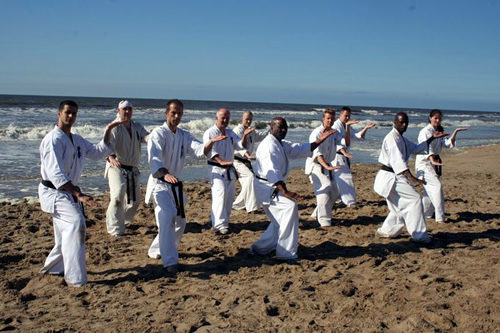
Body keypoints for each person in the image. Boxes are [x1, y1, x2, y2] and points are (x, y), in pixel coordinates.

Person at [39, 100, 124, 286]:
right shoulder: (52, 140)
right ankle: (75, 279)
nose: (71, 116)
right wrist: (79, 195)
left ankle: (53, 268)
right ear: (59, 114)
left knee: (65, 232)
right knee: (77, 224)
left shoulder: (76, 140)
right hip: (54, 192)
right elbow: (56, 174)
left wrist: (109, 129)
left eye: (74, 113)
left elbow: (99, 152)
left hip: (67, 192)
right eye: (68, 112)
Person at [146, 99, 225, 273]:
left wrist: (210, 143)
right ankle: (170, 261)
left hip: (174, 185)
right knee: (166, 217)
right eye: (173, 112)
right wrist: (165, 173)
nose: (176, 116)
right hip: (160, 182)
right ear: (166, 113)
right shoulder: (158, 134)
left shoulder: (183, 135)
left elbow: (198, 150)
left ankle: (158, 249)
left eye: (180, 113)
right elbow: (154, 158)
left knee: (180, 222)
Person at [249, 117, 336, 263]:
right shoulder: (269, 146)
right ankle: (286, 254)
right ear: (271, 127)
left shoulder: (280, 143)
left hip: (272, 186)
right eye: (280, 127)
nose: (283, 130)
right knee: (289, 208)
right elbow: (271, 172)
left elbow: (298, 149)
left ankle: (260, 248)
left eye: (285, 127)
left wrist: (320, 140)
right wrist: (285, 192)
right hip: (267, 187)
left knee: (280, 220)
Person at [373, 112, 449, 243]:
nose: (404, 125)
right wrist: (414, 178)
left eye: (406, 122)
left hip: (394, 176)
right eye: (401, 122)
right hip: (391, 176)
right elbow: (399, 163)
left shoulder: (401, 138)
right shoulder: (392, 138)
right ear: (395, 122)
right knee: (414, 200)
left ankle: (386, 231)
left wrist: (432, 139)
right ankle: (419, 236)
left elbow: (416, 148)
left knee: (399, 207)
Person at [105, 100, 150, 237]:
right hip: (116, 166)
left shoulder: (137, 126)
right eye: (124, 109)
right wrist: (111, 157)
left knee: (134, 201)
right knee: (118, 196)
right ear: (119, 111)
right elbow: (106, 145)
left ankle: (122, 220)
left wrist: (159, 136)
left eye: (129, 109)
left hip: (132, 168)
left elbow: (147, 137)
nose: (127, 112)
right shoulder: (114, 127)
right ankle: (114, 228)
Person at [203, 108, 251, 235]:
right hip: (215, 168)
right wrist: (220, 161)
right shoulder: (210, 132)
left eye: (227, 118)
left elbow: (240, 145)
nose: (225, 120)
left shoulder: (230, 133)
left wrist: (245, 135)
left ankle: (221, 220)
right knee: (220, 194)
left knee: (229, 197)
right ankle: (220, 225)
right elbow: (208, 151)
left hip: (229, 168)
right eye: (222, 118)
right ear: (216, 118)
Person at [415, 109, 468, 223]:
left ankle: (426, 214)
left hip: (434, 163)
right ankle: (440, 217)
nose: (437, 121)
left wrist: (455, 133)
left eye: (439, 119)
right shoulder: (425, 131)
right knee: (437, 187)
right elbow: (426, 146)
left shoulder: (438, 131)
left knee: (428, 190)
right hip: (424, 163)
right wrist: (431, 158)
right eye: (435, 118)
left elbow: (446, 144)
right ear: (430, 118)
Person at [305, 109, 350, 227]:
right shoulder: (316, 133)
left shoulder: (334, 132)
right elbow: (317, 154)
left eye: (332, 119)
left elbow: (345, 142)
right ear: (323, 119)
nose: (330, 121)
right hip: (315, 165)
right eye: (327, 118)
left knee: (335, 193)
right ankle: (325, 221)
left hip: (328, 165)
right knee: (325, 189)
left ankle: (317, 213)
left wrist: (348, 127)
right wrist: (326, 166)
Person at [332, 106, 376, 207]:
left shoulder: (346, 125)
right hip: (337, 156)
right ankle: (350, 202)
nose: (347, 118)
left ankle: (339, 199)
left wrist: (366, 128)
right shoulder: (336, 126)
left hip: (344, 156)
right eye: (345, 116)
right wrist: (344, 152)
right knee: (345, 178)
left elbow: (357, 136)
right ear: (340, 115)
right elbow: (337, 143)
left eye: (348, 116)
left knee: (338, 179)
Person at [232, 111, 268, 212]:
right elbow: (238, 146)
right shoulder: (237, 131)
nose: (248, 121)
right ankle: (251, 207)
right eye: (246, 119)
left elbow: (262, 135)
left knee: (249, 185)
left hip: (246, 161)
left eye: (250, 119)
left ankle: (237, 205)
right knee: (251, 178)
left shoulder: (251, 131)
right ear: (242, 119)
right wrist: (248, 155)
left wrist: (273, 130)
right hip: (236, 161)